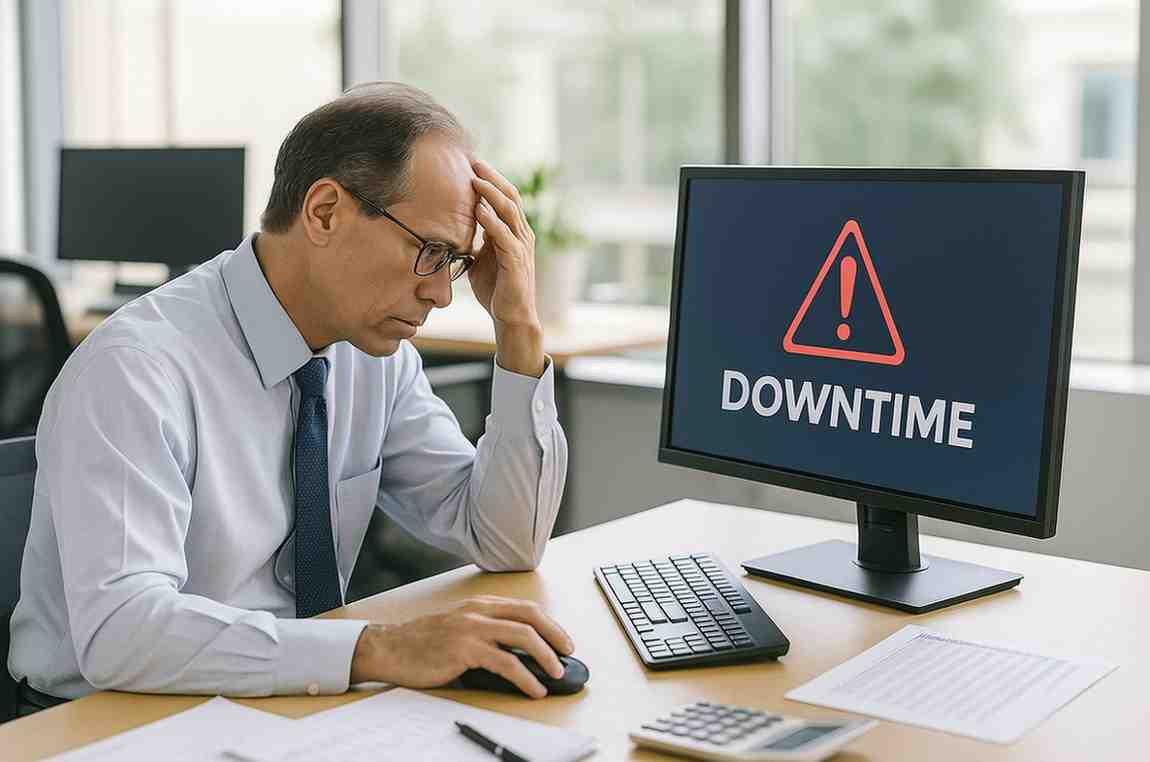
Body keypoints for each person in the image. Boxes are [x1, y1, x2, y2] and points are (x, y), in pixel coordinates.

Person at [7, 81, 573, 715]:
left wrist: (518, 330)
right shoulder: (135, 370)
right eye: (430, 252)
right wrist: (377, 649)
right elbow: (121, 633)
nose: (442, 295)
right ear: (324, 211)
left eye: (457, 263)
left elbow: (504, 540)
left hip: (282, 700)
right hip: (107, 720)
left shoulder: (373, 358)